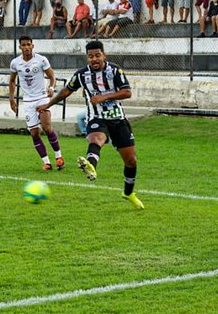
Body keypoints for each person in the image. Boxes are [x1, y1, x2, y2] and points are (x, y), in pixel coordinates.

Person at [37, 40, 144, 209]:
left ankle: (128, 193)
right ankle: (91, 167)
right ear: (87, 58)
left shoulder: (115, 71)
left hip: (118, 119)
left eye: (97, 55)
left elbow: (127, 92)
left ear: (104, 55)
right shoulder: (81, 75)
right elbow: (66, 91)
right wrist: (48, 105)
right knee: (97, 138)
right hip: (96, 117)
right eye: (90, 56)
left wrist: (103, 97)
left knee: (131, 161)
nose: (94, 59)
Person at [8, 36, 64, 171]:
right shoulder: (15, 63)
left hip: (42, 98)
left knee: (46, 127)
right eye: (23, 45)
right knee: (34, 133)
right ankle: (46, 162)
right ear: (20, 47)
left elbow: (52, 76)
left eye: (28, 44)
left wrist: (51, 88)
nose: (26, 47)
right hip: (27, 101)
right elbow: (12, 81)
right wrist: (11, 98)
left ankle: (59, 157)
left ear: (32, 46)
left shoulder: (41, 60)